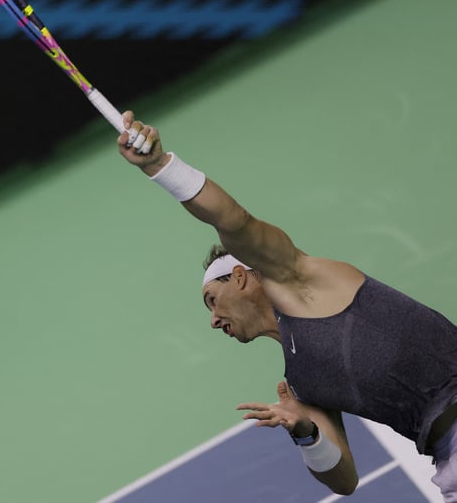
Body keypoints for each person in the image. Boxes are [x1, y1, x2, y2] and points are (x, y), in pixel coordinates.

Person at [116, 111, 457, 500]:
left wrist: (160, 166)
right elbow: (343, 479)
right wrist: (305, 433)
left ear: (241, 276)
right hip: (447, 459)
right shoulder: (301, 382)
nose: (213, 320)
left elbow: (234, 220)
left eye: (212, 300)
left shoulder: (301, 280)